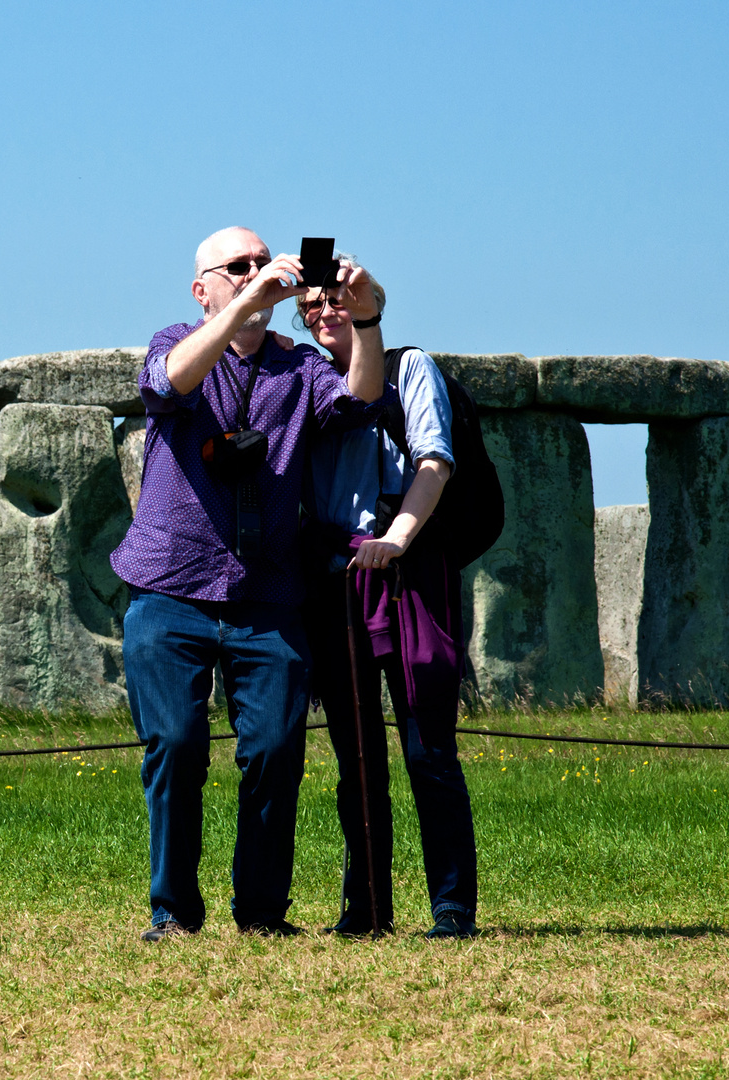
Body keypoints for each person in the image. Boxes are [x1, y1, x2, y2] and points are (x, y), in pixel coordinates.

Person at [110, 226, 389, 940]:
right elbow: (170, 382)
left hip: (267, 596)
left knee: (274, 750)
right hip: (169, 588)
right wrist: (240, 312)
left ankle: (262, 912)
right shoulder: (175, 341)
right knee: (174, 743)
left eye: (265, 264)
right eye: (238, 267)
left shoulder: (298, 368)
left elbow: (359, 401)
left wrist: (365, 318)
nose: (257, 273)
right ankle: (172, 912)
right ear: (202, 288)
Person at [299, 266, 479, 939]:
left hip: (408, 573)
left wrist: (399, 536)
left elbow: (434, 458)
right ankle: (367, 908)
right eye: (313, 303)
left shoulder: (411, 368)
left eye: (339, 299)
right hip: (337, 574)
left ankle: (453, 910)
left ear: (369, 302)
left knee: (428, 749)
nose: (325, 311)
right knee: (357, 758)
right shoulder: (307, 380)